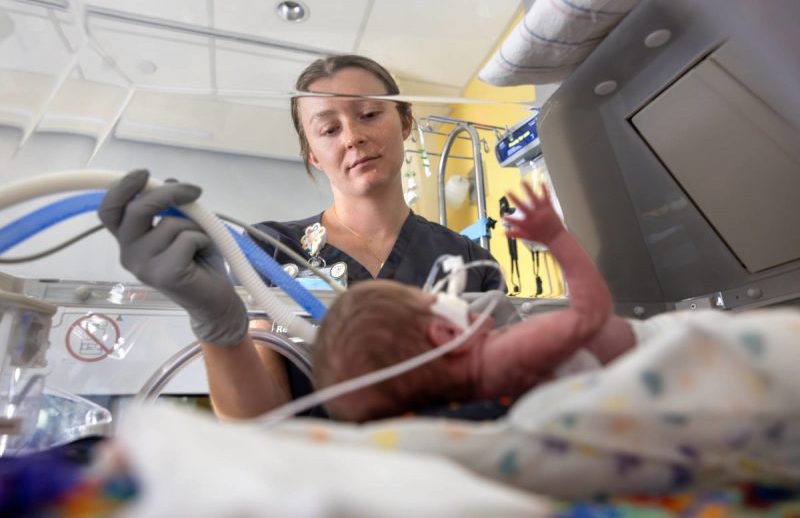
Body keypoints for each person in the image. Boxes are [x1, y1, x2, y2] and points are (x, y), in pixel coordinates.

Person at [97, 54, 505, 421]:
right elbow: (258, 421)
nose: (351, 137)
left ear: (404, 121)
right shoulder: (271, 250)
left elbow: (504, 391)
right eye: (328, 129)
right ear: (312, 153)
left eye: (367, 114)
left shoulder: (466, 258)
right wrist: (216, 326)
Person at [313, 182, 637, 422]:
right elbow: (592, 312)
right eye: (437, 298)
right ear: (446, 335)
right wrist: (555, 237)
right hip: (643, 356)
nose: (458, 299)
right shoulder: (504, 354)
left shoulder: (478, 394)